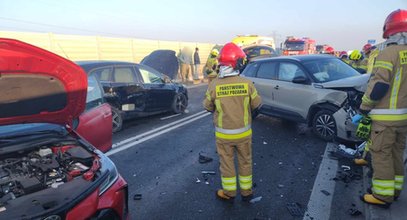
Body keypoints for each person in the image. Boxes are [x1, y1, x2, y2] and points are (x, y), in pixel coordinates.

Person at [357, 9, 407, 207]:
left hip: (385, 120)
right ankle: (395, 191)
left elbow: (379, 86)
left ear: (390, 32)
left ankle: (382, 196)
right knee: (396, 154)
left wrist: (364, 107)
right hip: (403, 119)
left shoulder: (388, 53)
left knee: (381, 156)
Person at [203, 42, 262, 202]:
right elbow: (257, 104)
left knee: (227, 164)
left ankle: (229, 193)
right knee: (245, 162)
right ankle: (246, 193)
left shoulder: (214, 85)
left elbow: (207, 106)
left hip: (224, 135)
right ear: (236, 63)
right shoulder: (247, 83)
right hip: (244, 133)